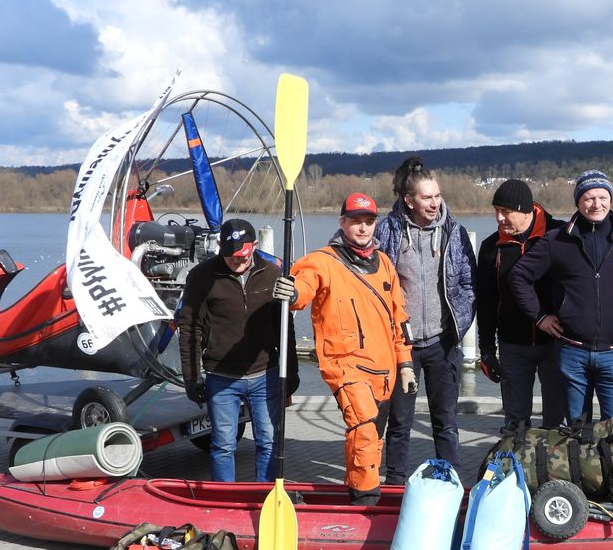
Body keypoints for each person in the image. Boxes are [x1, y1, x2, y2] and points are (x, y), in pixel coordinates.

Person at [273, 193, 415, 505]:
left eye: (368, 221)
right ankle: (366, 501)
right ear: (342, 222)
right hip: (345, 365)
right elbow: (304, 286)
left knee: (371, 438)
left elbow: (399, 319)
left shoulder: (385, 264)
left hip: (384, 370)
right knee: (363, 428)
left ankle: (355, 489)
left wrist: (405, 363)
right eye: (355, 221)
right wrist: (292, 292)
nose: (362, 228)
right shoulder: (322, 261)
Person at [509, 169, 613, 422]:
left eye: (603, 197)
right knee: (577, 431)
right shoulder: (556, 240)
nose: (597, 204)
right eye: (589, 198)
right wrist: (540, 317)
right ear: (578, 201)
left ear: (610, 199)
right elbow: (519, 276)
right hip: (572, 352)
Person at [375, 156, 476, 485]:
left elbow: (468, 284)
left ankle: (450, 484)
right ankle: (394, 484)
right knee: (399, 423)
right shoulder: (387, 231)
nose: (434, 203)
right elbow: (370, 276)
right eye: (427, 197)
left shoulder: (454, 233)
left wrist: (457, 324)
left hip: (441, 343)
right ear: (409, 200)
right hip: (402, 347)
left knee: (445, 422)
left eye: (438, 196)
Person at [179, 218, 298, 482]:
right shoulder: (201, 277)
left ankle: (265, 495)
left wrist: (291, 371)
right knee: (223, 445)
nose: (236, 260)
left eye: (242, 254)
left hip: (265, 373)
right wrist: (191, 377)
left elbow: (285, 327)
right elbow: (189, 329)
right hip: (221, 376)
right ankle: (224, 498)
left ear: (254, 245)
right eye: (230, 254)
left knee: (268, 440)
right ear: (220, 246)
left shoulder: (272, 274)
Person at [476, 178, 567, 430]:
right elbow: (486, 301)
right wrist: (486, 349)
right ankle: (515, 454)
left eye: (505, 211)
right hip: (512, 345)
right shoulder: (490, 248)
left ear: (526, 211)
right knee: (515, 422)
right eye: (496, 211)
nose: (499, 218)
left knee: (557, 422)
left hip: (556, 342)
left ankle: (553, 455)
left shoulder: (559, 235)